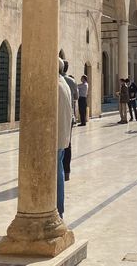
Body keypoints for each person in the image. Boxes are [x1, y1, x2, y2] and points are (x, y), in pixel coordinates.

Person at [57, 58, 73, 218]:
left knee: (56, 172)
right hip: (62, 136)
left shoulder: (55, 84)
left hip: (55, 137)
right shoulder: (65, 83)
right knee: (59, 171)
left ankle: (57, 210)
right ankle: (59, 210)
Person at [61, 59, 78, 181]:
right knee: (68, 144)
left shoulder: (56, 79)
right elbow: (76, 97)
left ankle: (58, 170)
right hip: (70, 116)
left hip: (58, 115)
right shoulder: (72, 81)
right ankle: (66, 172)